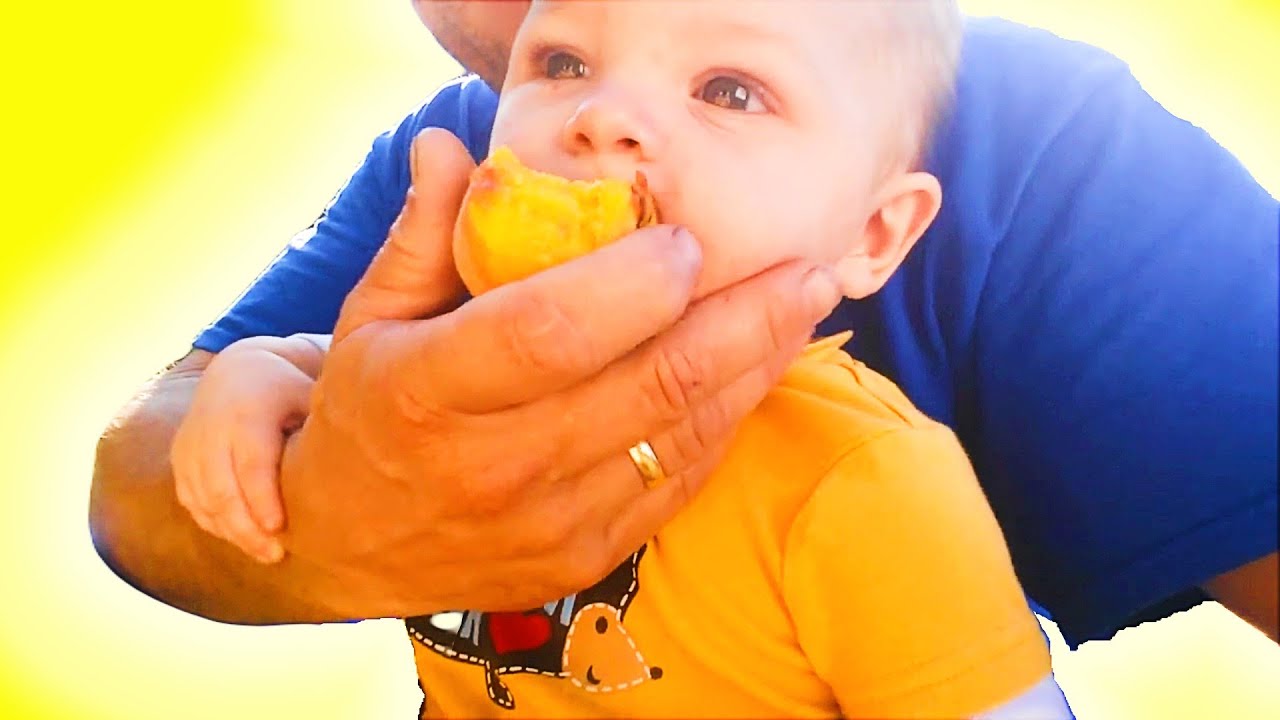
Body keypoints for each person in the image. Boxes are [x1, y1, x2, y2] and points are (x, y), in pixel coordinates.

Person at [88, 0, 1278, 651]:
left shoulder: (870, 476)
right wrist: (267, 399)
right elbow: (163, 450)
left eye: (727, 90)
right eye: (562, 61)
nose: (604, 118)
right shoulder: (455, 154)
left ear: (879, 229)